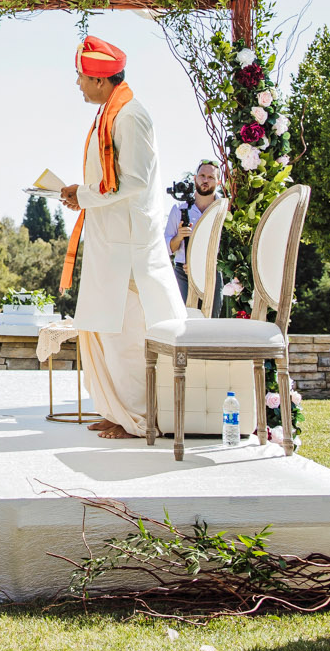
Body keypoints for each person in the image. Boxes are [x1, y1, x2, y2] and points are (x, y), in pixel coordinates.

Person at [59, 37, 184, 440]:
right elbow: (110, 181)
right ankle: (117, 411)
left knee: (128, 334)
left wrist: (85, 195)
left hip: (128, 249)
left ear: (99, 79)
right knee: (105, 330)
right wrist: (82, 194)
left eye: (80, 76)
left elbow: (136, 181)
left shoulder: (130, 116)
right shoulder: (108, 114)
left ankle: (139, 418)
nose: (77, 83)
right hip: (109, 243)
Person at [164, 161, 226, 306]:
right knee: (185, 320)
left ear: (218, 182)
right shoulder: (179, 209)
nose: (205, 180)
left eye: (210, 177)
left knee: (211, 320)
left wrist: (199, 264)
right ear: (195, 178)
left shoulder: (223, 210)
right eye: (202, 175)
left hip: (212, 271)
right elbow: (167, 248)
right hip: (183, 273)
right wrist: (179, 236)